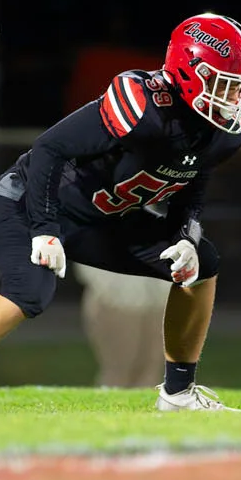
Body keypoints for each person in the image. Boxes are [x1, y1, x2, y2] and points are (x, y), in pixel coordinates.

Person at [0, 13, 241, 412]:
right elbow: (49, 149)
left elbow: (191, 183)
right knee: (28, 293)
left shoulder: (220, 134)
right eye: (226, 85)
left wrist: (184, 236)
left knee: (202, 263)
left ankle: (177, 393)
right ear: (190, 73)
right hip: (29, 201)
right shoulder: (143, 106)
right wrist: (44, 227)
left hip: (101, 219)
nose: (234, 100)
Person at [64, 22, 172, 388]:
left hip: (156, 265)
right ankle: (104, 432)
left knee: (153, 375)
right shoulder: (92, 143)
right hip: (112, 268)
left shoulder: (169, 142)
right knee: (119, 372)